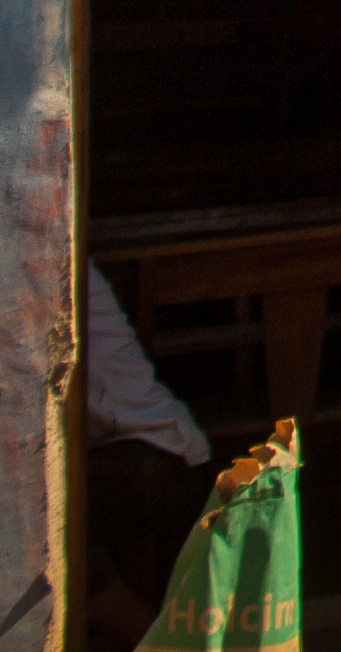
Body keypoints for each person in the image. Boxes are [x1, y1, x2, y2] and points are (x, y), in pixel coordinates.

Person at [79, 263, 217, 650]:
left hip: (155, 456)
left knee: (53, 522)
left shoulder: (53, 262)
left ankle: (158, 643)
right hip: (144, 452)